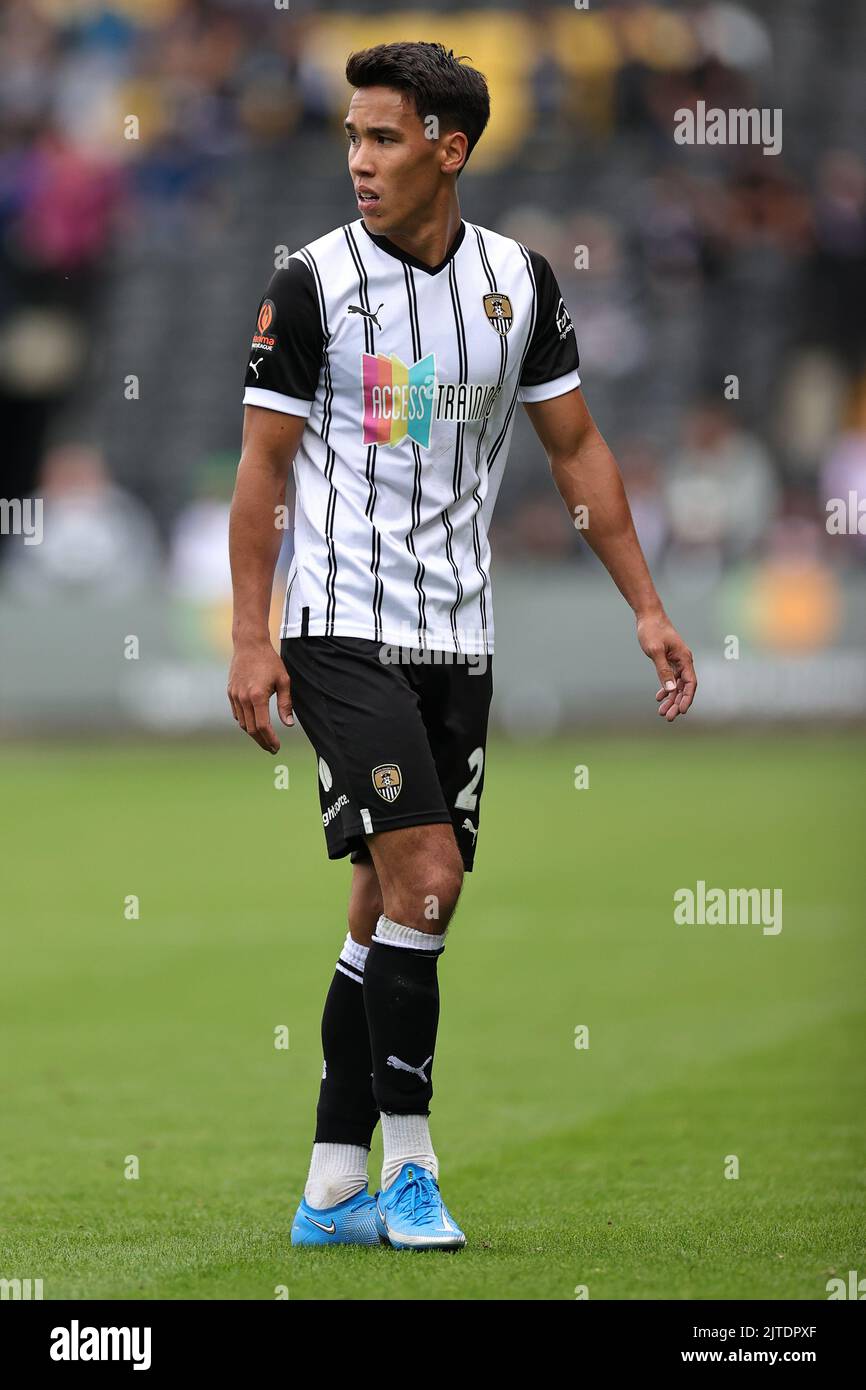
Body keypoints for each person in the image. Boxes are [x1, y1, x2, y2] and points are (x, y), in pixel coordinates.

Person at [227, 41, 697, 1251]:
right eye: (349, 137)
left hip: (458, 635)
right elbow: (263, 470)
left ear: (450, 149)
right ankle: (413, 1168)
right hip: (337, 626)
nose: (359, 161)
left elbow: (578, 449)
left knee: (384, 905)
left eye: (383, 139)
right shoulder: (311, 284)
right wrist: (248, 635)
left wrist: (643, 604)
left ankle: (331, 1184)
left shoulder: (518, 285)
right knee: (426, 879)